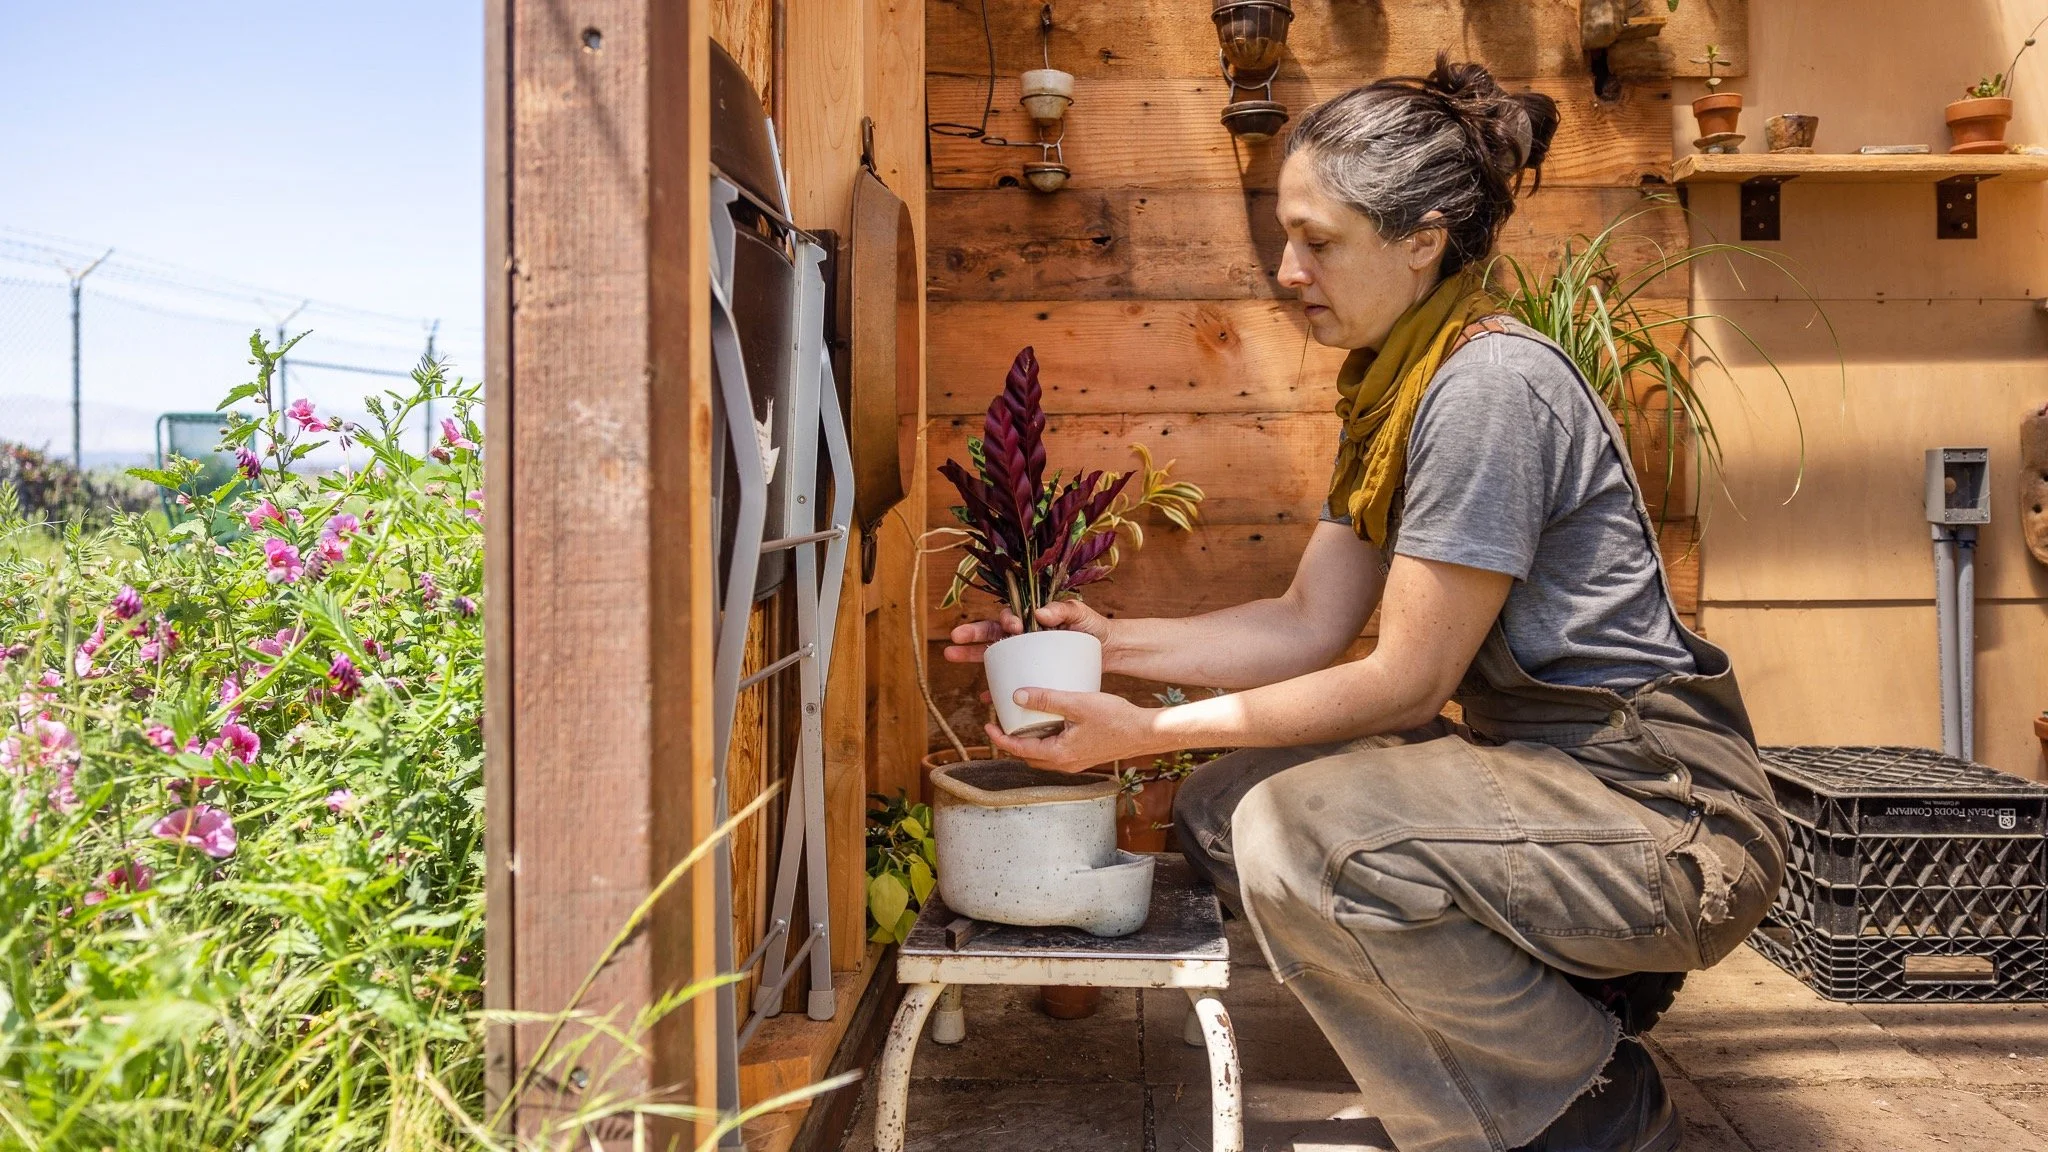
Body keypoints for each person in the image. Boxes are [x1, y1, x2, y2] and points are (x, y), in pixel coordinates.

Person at [943, 57, 1788, 1152]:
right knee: (1224, 804)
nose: (1286, 270)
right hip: (1551, 787)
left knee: (1304, 833)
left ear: (1421, 239)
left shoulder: (1486, 389)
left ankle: (1584, 1106)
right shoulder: (1400, 380)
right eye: (1286, 236)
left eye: (1318, 241)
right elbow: (1305, 623)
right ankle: (1580, 1016)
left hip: (1664, 822)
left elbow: (1406, 679)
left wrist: (1141, 733)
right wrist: (1102, 646)